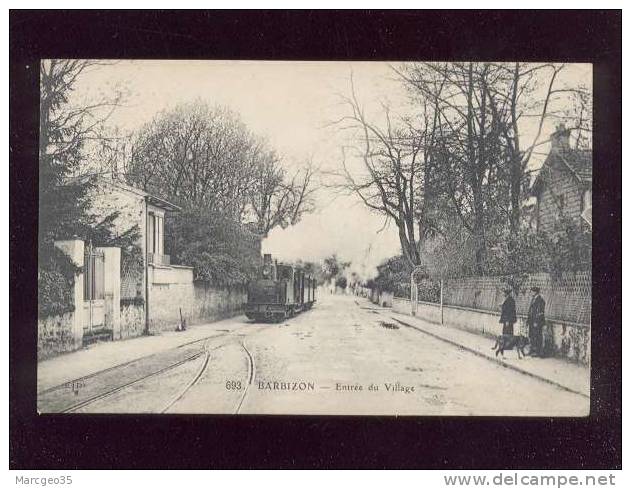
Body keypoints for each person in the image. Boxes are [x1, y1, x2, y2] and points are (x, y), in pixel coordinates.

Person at [527, 286, 546, 357]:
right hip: (532, 321)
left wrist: (536, 322)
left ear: (535, 292)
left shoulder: (540, 300)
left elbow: (540, 313)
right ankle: (532, 350)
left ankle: (538, 352)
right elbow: (531, 311)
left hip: (537, 322)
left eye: (532, 291)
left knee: (537, 336)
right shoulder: (533, 299)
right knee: (531, 335)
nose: (531, 293)